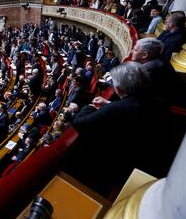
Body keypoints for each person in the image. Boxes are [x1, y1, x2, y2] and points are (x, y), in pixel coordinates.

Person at [64, 62, 171, 196]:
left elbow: (79, 123)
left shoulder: (116, 110)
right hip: (152, 153)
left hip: (122, 164)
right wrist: (109, 103)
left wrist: (90, 107)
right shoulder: (158, 101)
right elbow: (131, 107)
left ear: (119, 88)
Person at [131, 38, 179, 103]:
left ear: (144, 55)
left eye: (135, 50)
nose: (131, 52)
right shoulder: (160, 60)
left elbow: (134, 94)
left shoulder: (149, 70)